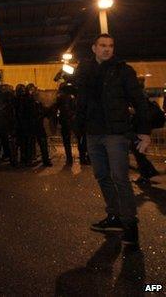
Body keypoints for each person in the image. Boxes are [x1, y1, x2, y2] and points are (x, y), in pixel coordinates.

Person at [75, 33, 150, 248]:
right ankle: (114, 216)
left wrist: (144, 131)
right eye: (103, 45)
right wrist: (78, 129)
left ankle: (130, 225)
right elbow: (82, 102)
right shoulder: (86, 70)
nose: (107, 49)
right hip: (93, 132)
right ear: (94, 48)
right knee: (102, 176)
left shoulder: (123, 71)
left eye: (111, 46)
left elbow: (139, 101)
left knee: (120, 178)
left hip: (116, 134)